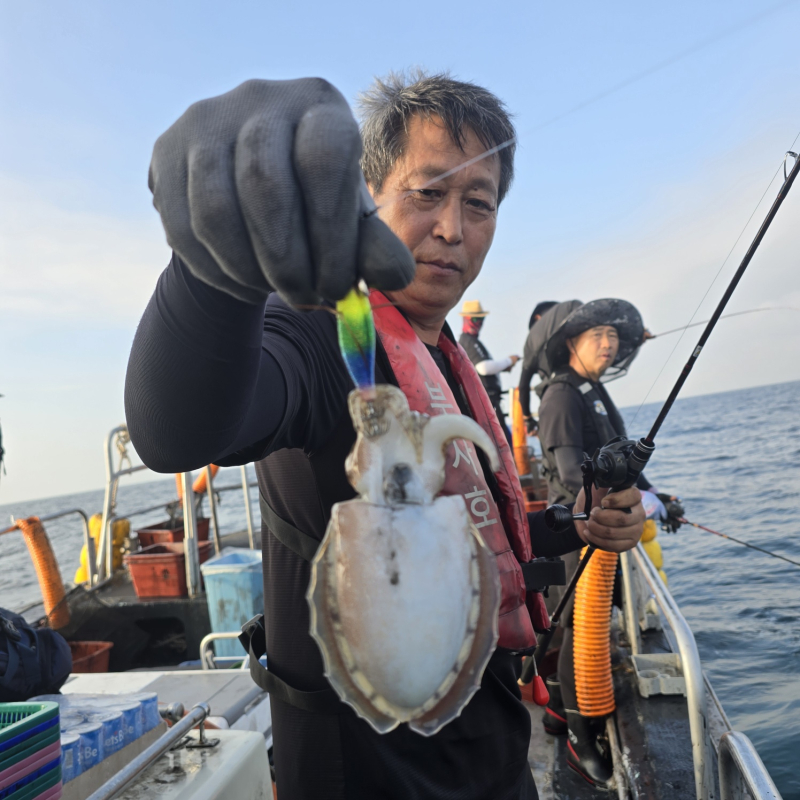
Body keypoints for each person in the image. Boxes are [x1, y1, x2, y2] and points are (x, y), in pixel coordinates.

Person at [125, 73, 646, 800]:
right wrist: (212, 271)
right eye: (428, 192)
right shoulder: (314, 331)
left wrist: (571, 524)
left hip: (490, 744)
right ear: (366, 196)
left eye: (479, 203)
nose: (452, 229)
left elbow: (471, 524)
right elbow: (177, 431)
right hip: (369, 771)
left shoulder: (448, 358)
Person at [535, 299, 653, 788]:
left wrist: (652, 494)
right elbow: (568, 473)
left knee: (584, 624)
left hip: (602, 526)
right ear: (571, 344)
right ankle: (577, 735)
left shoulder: (594, 391)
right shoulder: (563, 394)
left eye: (613, 337)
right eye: (596, 336)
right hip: (574, 529)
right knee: (573, 628)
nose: (608, 345)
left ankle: (559, 716)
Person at [458, 299, 519, 441]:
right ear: (466, 319)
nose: (478, 322)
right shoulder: (468, 341)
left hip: (489, 401)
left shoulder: (471, 341)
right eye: (475, 318)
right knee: (501, 442)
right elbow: (484, 367)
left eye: (481, 318)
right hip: (487, 401)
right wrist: (509, 360)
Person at [517, 300, 581, 435]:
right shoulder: (571, 308)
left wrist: (528, 419)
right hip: (584, 388)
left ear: (537, 318)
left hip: (554, 399)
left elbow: (523, 386)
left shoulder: (532, 338)